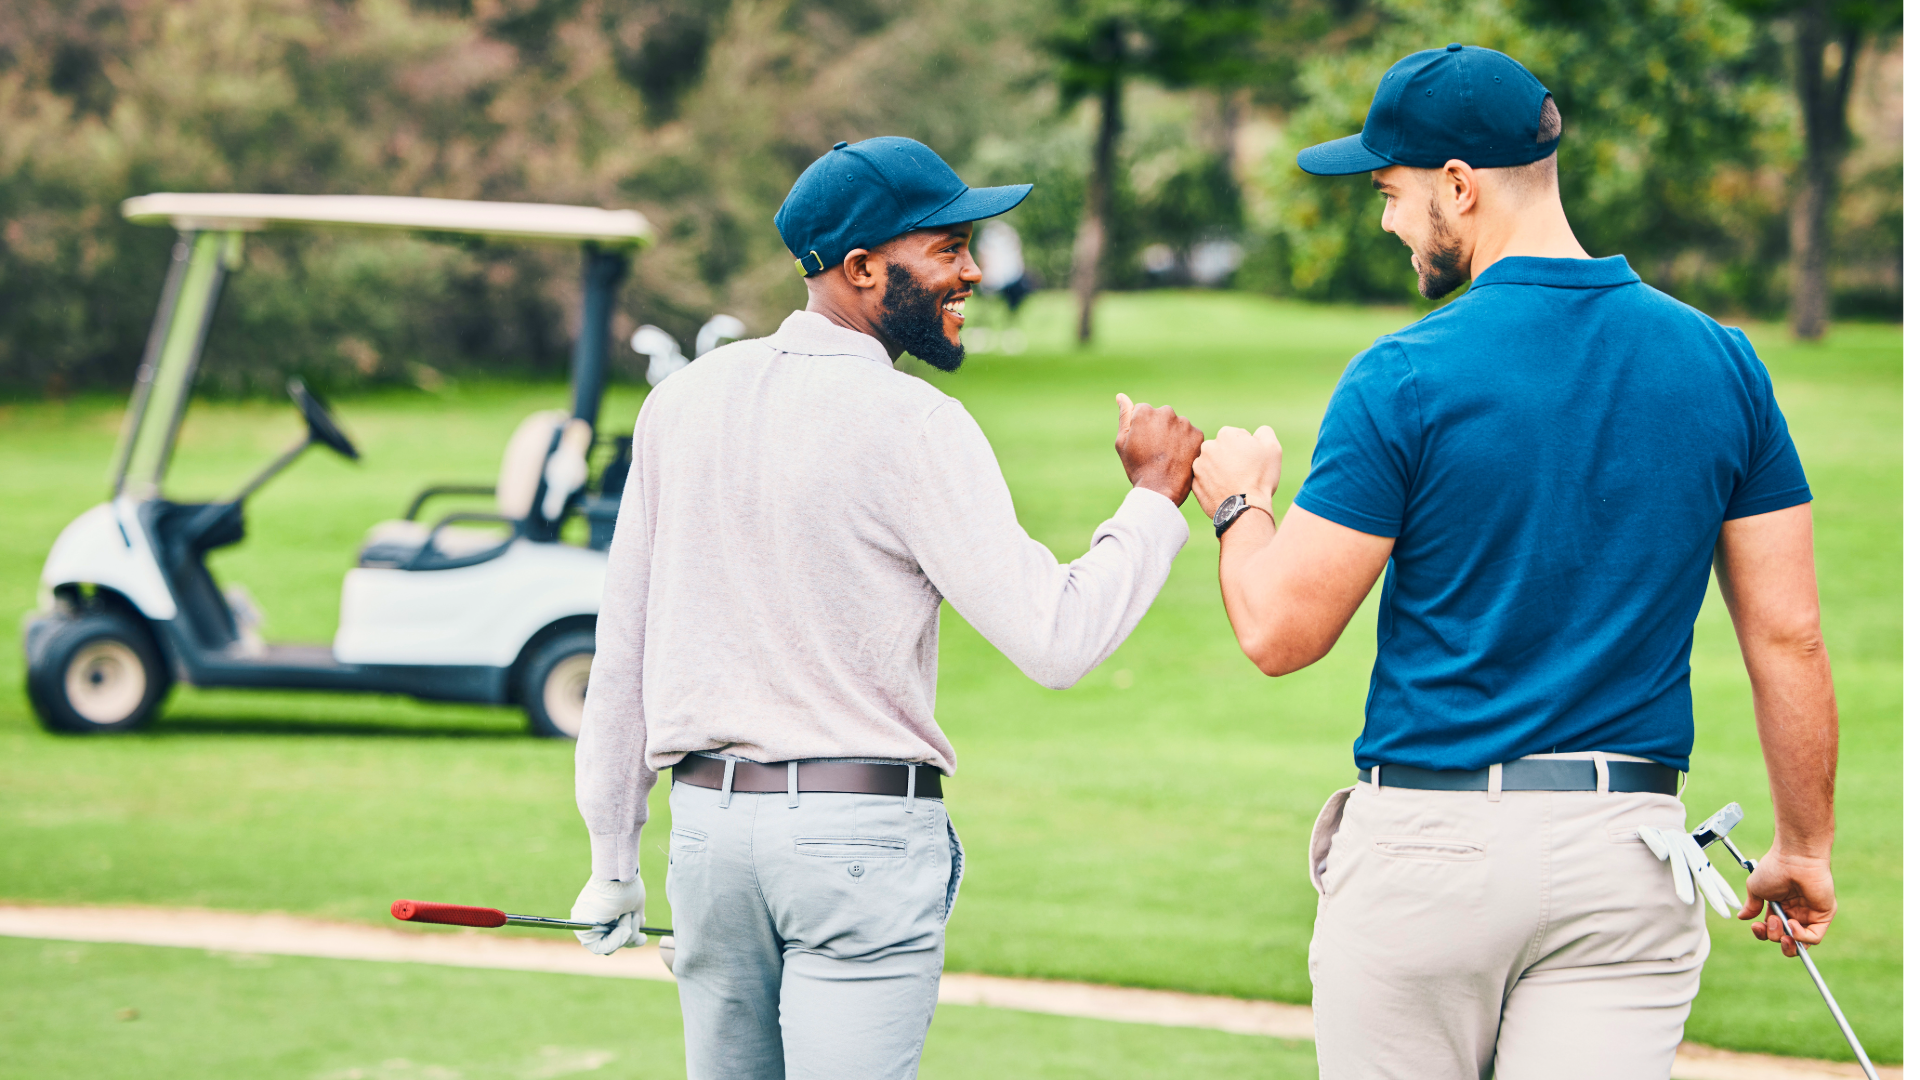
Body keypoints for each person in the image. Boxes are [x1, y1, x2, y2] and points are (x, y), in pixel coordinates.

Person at [1190, 45, 1837, 1080]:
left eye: (1393, 194)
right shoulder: (1725, 361)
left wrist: (1237, 504)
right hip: (1627, 857)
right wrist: (1803, 848)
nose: (1391, 221)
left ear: (1459, 184)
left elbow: (1278, 631)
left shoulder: (1404, 374)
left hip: (1431, 856)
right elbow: (1788, 633)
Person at [571, 135, 1204, 1080]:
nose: (974, 272)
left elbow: (623, 648)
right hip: (855, 845)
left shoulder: (682, 403)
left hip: (709, 842)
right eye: (946, 248)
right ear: (862, 269)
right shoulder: (917, 424)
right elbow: (1057, 639)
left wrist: (612, 857)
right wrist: (1153, 500)